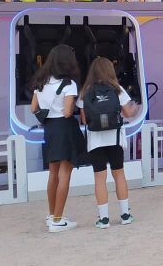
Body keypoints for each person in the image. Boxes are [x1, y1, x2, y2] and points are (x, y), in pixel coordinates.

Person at [78, 57, 140, 228]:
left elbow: (84, 120)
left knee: (100, 178)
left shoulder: (85, 91)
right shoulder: (117, 89)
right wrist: (134, 109)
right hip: (115, 138)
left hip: (95, 141)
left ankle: (104, 219)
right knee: (119, 174)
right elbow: (127, 113)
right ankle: (125, 215)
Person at [30, 44, 83, 232]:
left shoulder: (41, 82)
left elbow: (33, 108)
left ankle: (52, 215)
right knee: (65, 173)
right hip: (64, 128)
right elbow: (68, 112)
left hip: (49, 128)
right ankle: (58, 220)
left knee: (53, 173)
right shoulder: (69, 84)